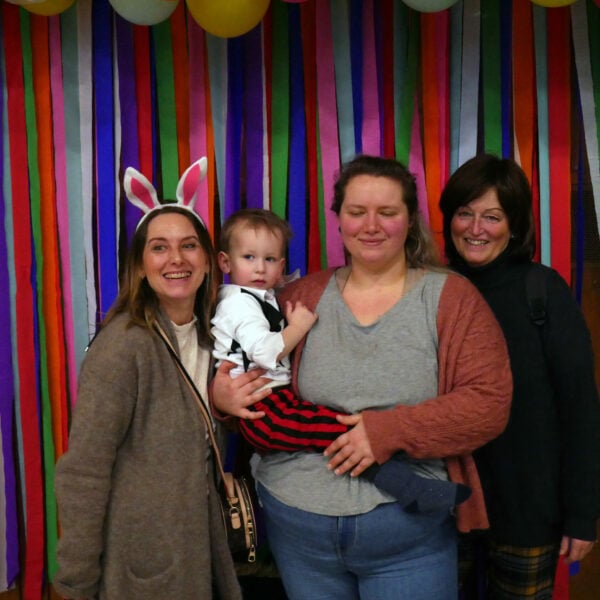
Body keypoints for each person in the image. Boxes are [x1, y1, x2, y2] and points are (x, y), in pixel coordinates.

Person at [211, 155, 513, 600]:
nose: (371, 226)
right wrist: (223, 398)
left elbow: (488, 403)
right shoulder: (297, 296)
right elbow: (253, 380)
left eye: (387, 212)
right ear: (338, 220)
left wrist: (388, 431)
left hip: (408, 538)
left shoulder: (450, 298)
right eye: (357, 212)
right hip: (299, 534)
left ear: (409, 219)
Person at [53, 159, 242, 600]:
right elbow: (84, 472)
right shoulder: (124, 346)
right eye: (159, 247)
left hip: (197, 544)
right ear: (140, 266)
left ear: (208, 260)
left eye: (189, 245)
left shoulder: (214, 336)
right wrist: (77, 580)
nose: (176, 259)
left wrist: (222, 408)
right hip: (143, 554)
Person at [211, 208, 470, 513]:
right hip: (261, 409)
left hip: (273, 401)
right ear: (225, 262)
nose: (259, 268)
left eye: (269, 259)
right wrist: (298, 327)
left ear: (280, 266)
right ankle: (411, 486)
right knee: (343, 431)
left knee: (339, 434)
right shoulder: (238, 304)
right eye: (248, 258)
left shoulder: (259, 296)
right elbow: (265, 353)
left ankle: (409, 486)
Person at [439, 153, 600, 599]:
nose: (475, 228)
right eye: (464, 213)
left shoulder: (542, 291)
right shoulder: (431, 289)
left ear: (514, 225)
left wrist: (582, 514)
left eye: (492, 216)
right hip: (443, 510)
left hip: (529, 512)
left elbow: (580, 409)